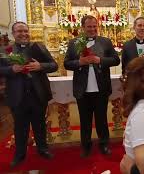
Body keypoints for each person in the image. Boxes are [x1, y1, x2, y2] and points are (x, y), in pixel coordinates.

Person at [0, 22, 58, 167]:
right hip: (17, 95)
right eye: (19, 31)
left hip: (38, 94)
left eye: (26, 31)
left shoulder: (39, 47)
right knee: (20, 127)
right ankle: (20, 154)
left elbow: (54, 65)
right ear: (13, 34)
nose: (24, 34)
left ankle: (43, 149)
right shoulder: (6, 50)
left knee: (40, 125)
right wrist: (12, 69)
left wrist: (41, 66)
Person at [64, 15, 120, 157]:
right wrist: (80, 62)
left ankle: (104, 144)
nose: (92, 29)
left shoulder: (105, 42)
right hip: (82, 89)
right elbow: (66, 63)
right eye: (89, 26)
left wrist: (99, 60)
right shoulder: (73, 42)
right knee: (85, 120)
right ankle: (86, 146)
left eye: (94, 26)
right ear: (83, 27)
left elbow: (116, 60)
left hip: (101, 88)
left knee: (102, 119)